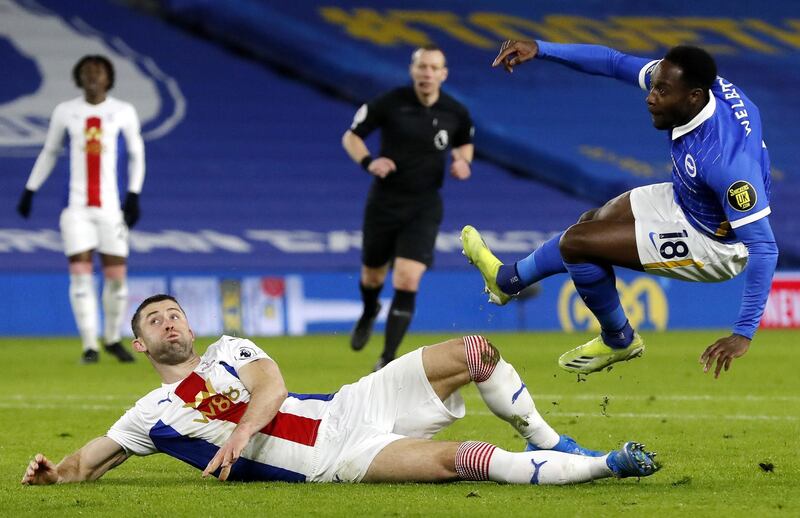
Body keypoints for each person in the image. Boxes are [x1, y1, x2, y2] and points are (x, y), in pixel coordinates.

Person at [21, 294, 658, 486]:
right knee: (465, 460)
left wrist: (242, 430)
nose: (170, 323)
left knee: (475, 353)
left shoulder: (228, 350)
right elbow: (87, 464)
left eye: (174, 314)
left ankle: (554, 440)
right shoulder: (149, 414)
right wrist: (55, 475)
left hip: (351, 407)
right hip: (335, 460)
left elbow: (271, 386)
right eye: (154, 322)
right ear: (140, 346)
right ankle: (608, 466)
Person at [462, 40, 778, 379]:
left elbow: (764, 246)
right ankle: (507, 281)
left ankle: (618, 339)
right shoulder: (693, 86)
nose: (650, 96)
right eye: (654, 85)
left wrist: (743, 334)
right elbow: (614, 62)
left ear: (694, 97)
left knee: (577, 243)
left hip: (715, 244)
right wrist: (540, 49)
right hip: (691, 198)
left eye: (661, 91)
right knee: (590, 223)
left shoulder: (727, 165)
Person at [342, 45, 474, 371]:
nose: (427, 73)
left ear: (443, 74)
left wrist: (463, 163)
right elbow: (351, 136)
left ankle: (387, 357)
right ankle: (370, 308)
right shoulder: (389, 103)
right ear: (413, 71)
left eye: (433, 68)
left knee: (406, 277)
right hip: (385, 202)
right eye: (422, 67)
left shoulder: (456, 111)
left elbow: (465, 144)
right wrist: (370, 161)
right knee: (373, 274)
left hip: (425, 205)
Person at [16, 55, 145, 364]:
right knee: (81, 276)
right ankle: (90, 345)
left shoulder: (123, 112)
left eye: (98, 71)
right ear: (78, 77)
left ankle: (113, 338)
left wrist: (134, 194)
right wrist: (30, 189)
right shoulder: (66, 111)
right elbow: (50, 151)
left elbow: (136, 154)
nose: (92, 76)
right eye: (87, 71)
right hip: (75, 209)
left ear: (108, 78)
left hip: (111, 209)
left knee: (116, 277)